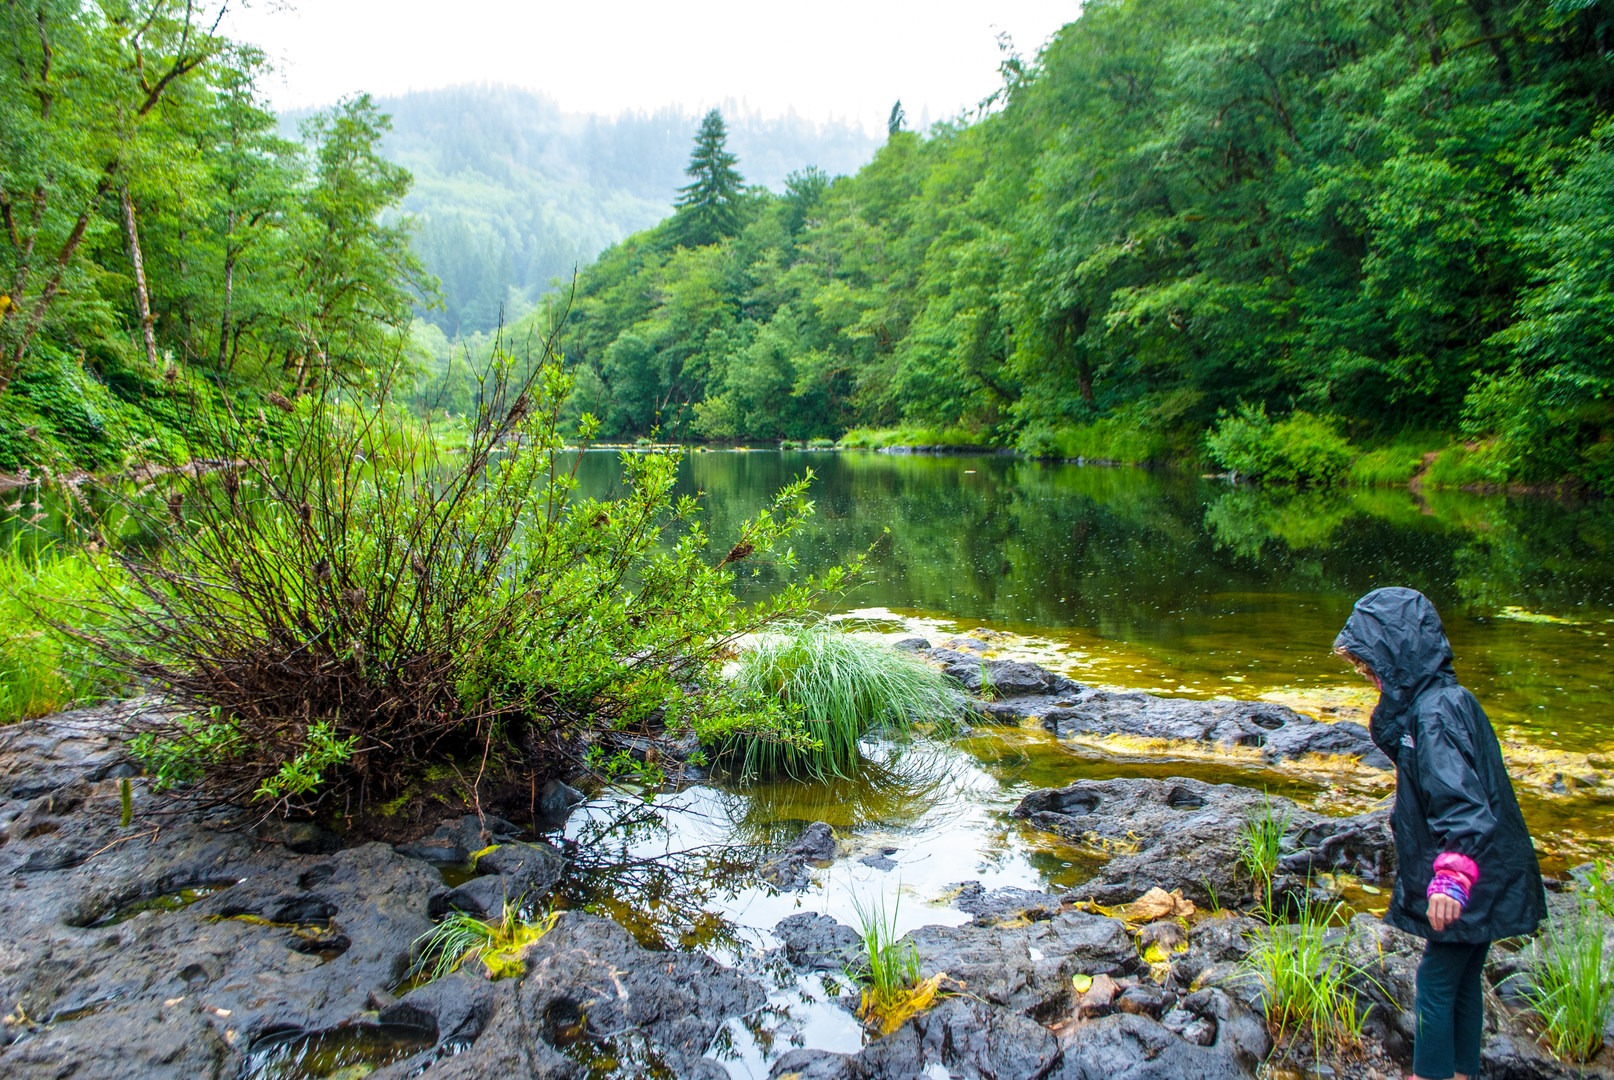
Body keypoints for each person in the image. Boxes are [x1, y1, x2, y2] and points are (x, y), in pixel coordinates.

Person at [1333, 587, 1546, 1080]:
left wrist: (1451, 877)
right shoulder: (1445, 701)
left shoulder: (1435, 715)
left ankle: (1431, 1074)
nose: (1366, 674)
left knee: (1435, 981)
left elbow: (1463, 804)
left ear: (1398, 654)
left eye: (1369, 663)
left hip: (1468, 876)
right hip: (1491, 874)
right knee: (1464, 979)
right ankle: (1461, 1071)